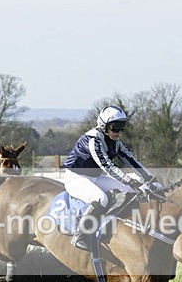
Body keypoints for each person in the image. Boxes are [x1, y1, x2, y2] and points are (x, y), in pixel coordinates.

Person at [62, 105, 163, 249]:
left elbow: (132, 161)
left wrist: (150, 180)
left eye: (122, 127)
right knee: (101, 199)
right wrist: (133, 182)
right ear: (104, 126)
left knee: (129, 191)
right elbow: (108, 166)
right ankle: (80, 235)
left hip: (95, 178)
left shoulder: (115, 143)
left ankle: (110, 226)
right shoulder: (93, 140)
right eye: (115, 128)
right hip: (76, 178)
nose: (119, 132)